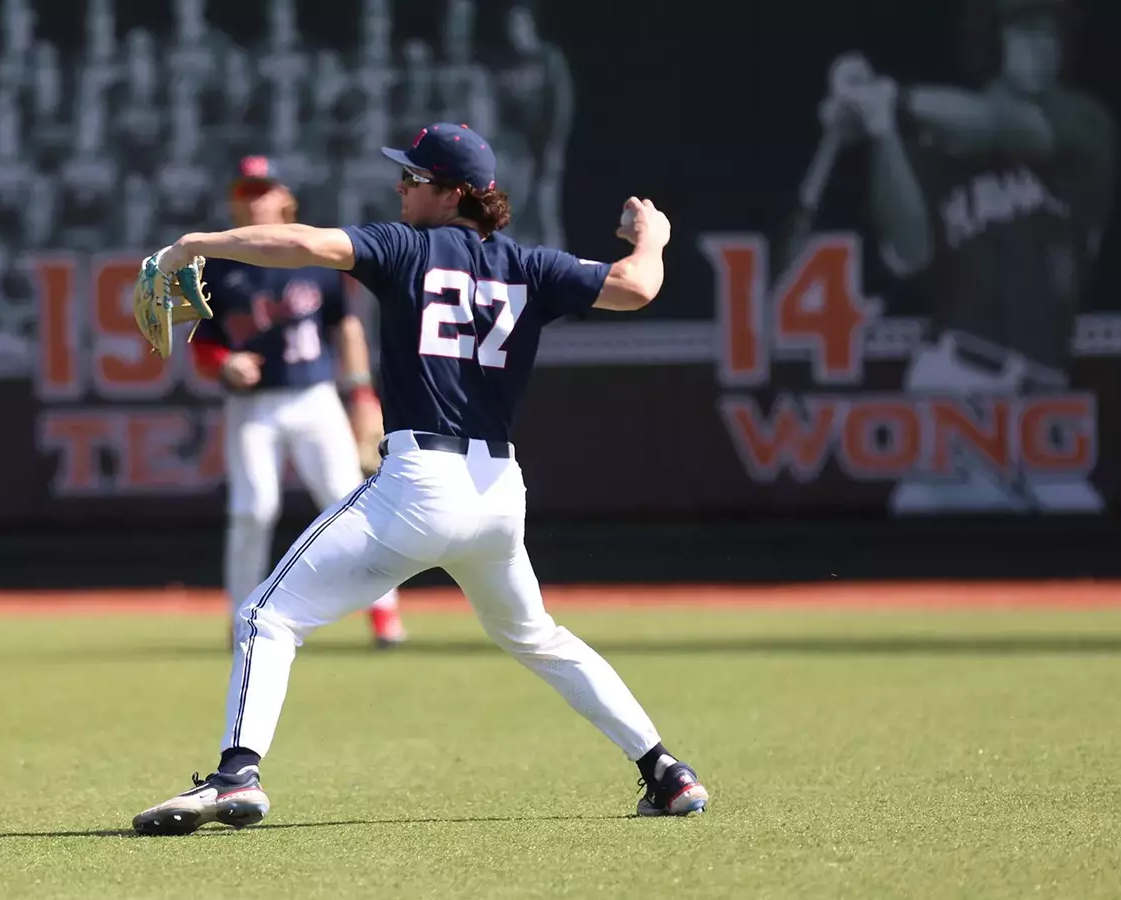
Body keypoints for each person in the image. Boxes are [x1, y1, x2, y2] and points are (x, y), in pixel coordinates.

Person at [131, 123, 709, 836]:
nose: (401, 187)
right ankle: (666, 770)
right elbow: (637, 285)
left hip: (418, 484)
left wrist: (195, 243)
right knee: (538, 637)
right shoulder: (531, 265)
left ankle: (235, 777)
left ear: (454, 192)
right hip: (498, 494)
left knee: (263, 617)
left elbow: (303, 244)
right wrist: (653, 237)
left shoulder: (407, 247)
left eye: (414, 177)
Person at [823, 0, 1114, 513]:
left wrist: (892, 97)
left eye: (1050, 36)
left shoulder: (1084, 124)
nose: (1042, 48)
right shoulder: (938, 140)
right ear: (992, 43)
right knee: (942, 531)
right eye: (1025, 34)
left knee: (1082, 534)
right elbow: (908, 252)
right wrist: (881, 126)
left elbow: (1001, 126)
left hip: (1044, 407)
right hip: (957, 383)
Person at [189, 156, 407, 650]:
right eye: (246, 192)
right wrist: (224, 361)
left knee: (349, 503)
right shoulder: (218, 267)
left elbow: (345, 326)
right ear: (234, 202)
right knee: (252, 510)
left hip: (315, 397)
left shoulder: (313, 253)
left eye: (263, 190)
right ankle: (241, 618)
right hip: (253, 407)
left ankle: (384, 614)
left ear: (285, 197)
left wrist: (362, 396)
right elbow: (202, 344)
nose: (255, 200)